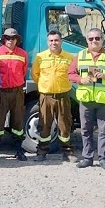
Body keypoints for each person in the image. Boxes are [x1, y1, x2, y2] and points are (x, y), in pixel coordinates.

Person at [68, 28, 105, 170]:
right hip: (86, 99)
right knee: (85, 130)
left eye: (97, 38)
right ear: (87, 40)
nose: (94, 41)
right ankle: (87, 158)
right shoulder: (80, 55)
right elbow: (70, 74)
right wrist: (81, 79)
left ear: (102, 39)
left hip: (104, 100)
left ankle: (103, 159)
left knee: (104, 131)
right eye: (91, 39)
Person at [31, 30, 77, 163]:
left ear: (61, 41)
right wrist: (46, 86)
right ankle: (42, 152)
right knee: (44, 125)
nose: (54, 43)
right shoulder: (40, 57)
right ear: (47, 42)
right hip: (46, 96)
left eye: (56, 40)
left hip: (63, 96)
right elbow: (35, 75)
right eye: (51, 40)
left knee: (65, 125)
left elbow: (73, 74)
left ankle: (68, 153)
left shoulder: (69, 58)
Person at [0, 28, 29, 161]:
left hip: (17, 91)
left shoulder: (23, 54)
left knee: (18, 121)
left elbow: (23, 72)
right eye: (8, 38)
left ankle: (19, 149)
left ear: (17, 40)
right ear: (3, 39)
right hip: (1, 92)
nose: (10, 41)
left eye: (13, 38)